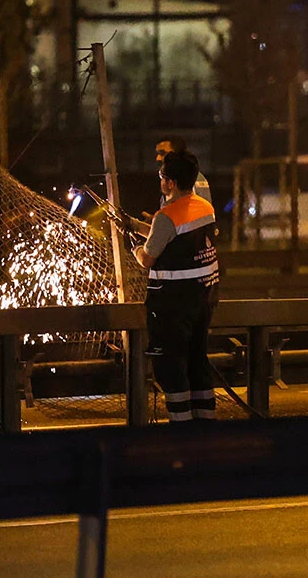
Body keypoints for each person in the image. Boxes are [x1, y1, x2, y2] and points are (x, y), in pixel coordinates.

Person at [132, 149, 220, 423]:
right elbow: (173, 236)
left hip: (172, 305)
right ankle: (206, 424)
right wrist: (134, 225)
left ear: (169, 182)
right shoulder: (204, 208)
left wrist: (135, 247)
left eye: (161, 177)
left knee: (171, 365)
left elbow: (148, 258)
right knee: (197, 361)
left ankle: (181, 429)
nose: (160, 181)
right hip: (204, 299)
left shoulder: (166, 216)